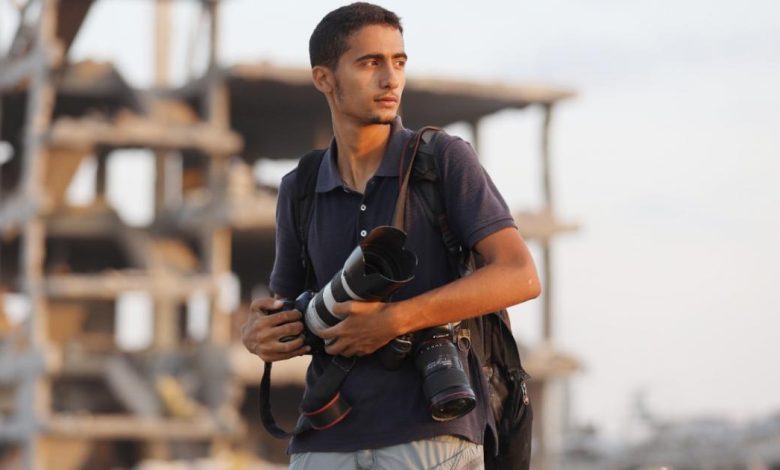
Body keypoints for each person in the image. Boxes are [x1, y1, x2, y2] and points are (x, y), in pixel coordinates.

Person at [241, 3, 541, 469]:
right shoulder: (299, 187)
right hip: (324, 437)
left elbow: (520, 274)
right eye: (369, 63)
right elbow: (291, 310)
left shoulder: (442, 160)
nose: (390, 79)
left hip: (433, 430)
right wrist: (259, 334)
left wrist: (393, 320)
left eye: (398, 62)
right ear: (324, 78)